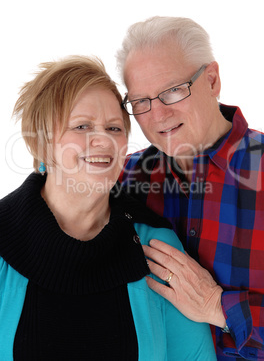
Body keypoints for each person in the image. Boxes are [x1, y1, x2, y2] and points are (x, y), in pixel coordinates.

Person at [0, 56, 216, 360]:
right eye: (82, 125)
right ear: (43, 142)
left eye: (114, 128)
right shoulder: (4, 236)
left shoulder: (156, 245)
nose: (102, 140)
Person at [117, 16, 264, 360]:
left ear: (212, 80)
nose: (157, 115)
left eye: (172, 90)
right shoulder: (124, 178)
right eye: (141, 101)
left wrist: (219, 307)